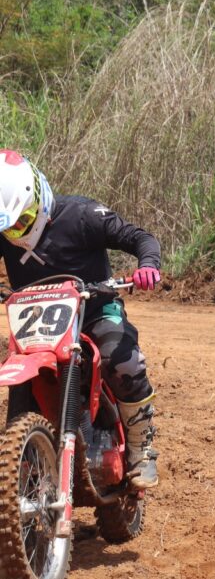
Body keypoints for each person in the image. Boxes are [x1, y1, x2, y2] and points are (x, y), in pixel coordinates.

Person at [0, 149, 161, 489]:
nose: (15, 233)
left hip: (95, 309)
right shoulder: (6, 230)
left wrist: (147, 264)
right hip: (38, 321)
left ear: (38, 197)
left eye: (22, 222)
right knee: (18, 379)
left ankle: (141, 450)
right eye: (8, 228)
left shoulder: (84, 215)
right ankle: (21, 470)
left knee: (125, 363)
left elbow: (140, 238)